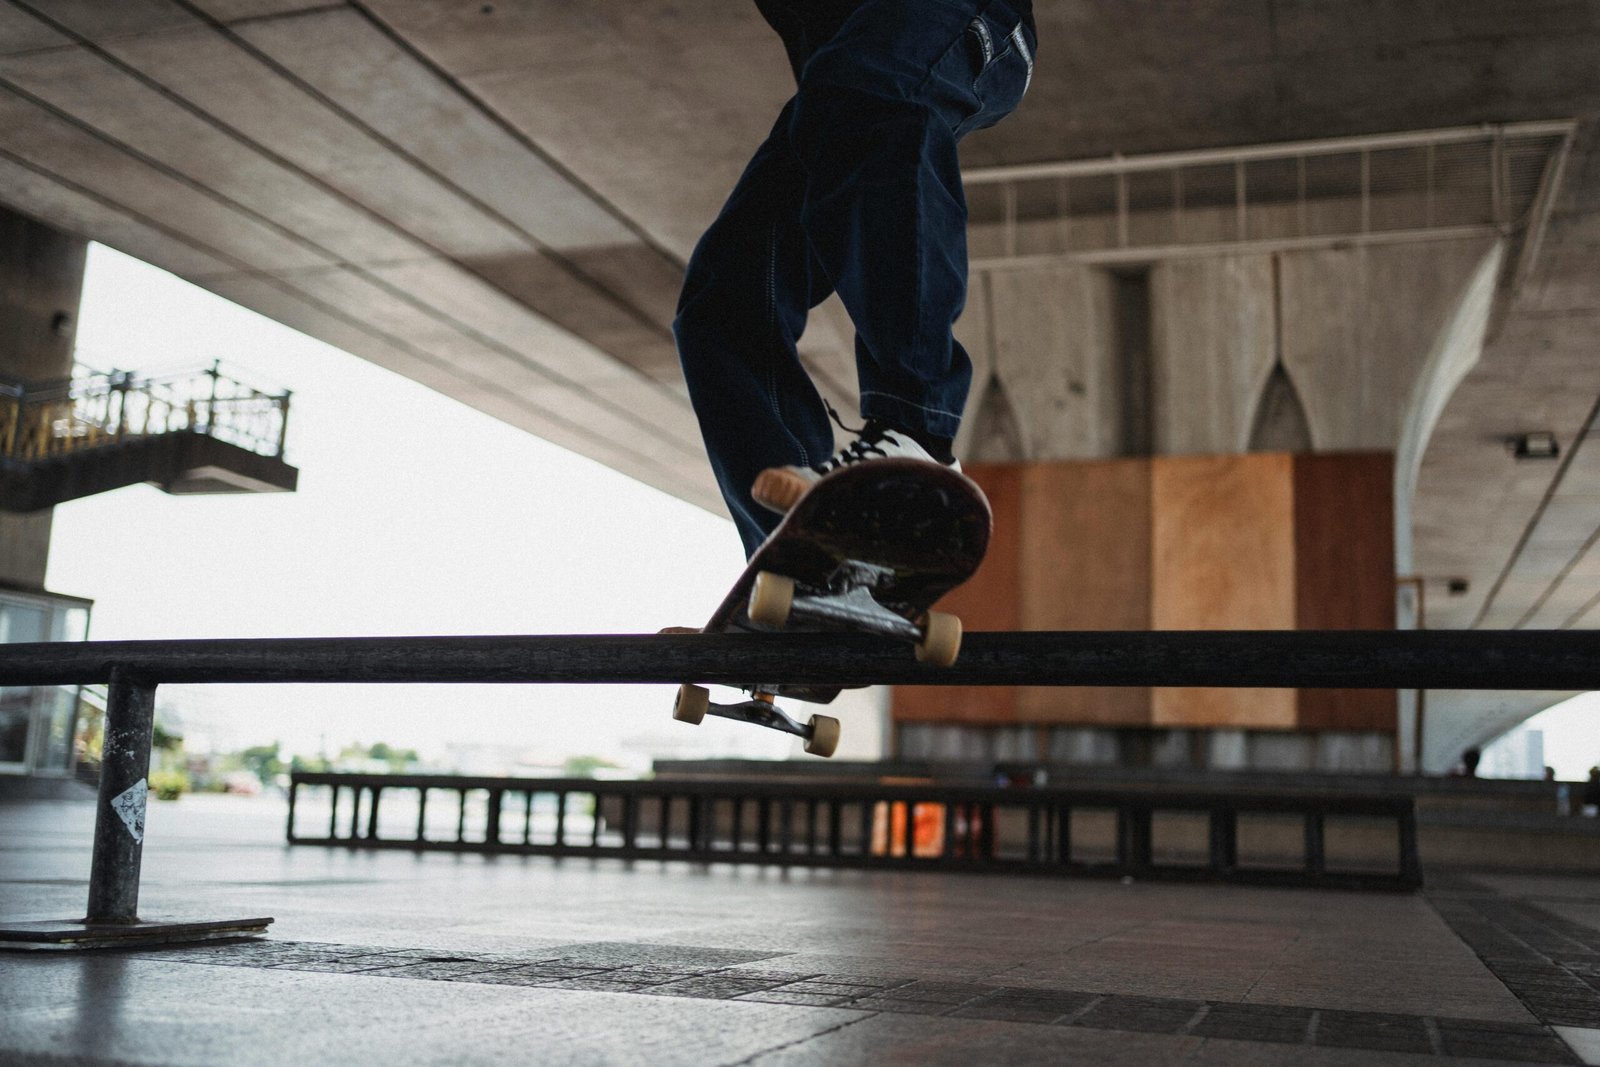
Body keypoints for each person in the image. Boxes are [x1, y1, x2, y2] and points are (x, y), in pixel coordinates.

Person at [674, 0, 1037, 556]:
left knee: (874, 92)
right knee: (726, 295)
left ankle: (917, 436)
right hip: (840, 90)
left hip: (953, 19)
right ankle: (801, 552)